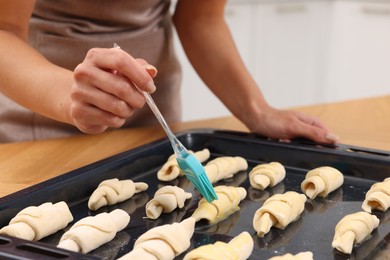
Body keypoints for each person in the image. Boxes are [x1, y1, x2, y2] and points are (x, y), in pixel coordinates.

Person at [0, 0, 339, 144]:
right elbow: (4, 32)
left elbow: (201, 19)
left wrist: (257, 111)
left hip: (152, 118)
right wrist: (67, 95)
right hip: (41, 119)